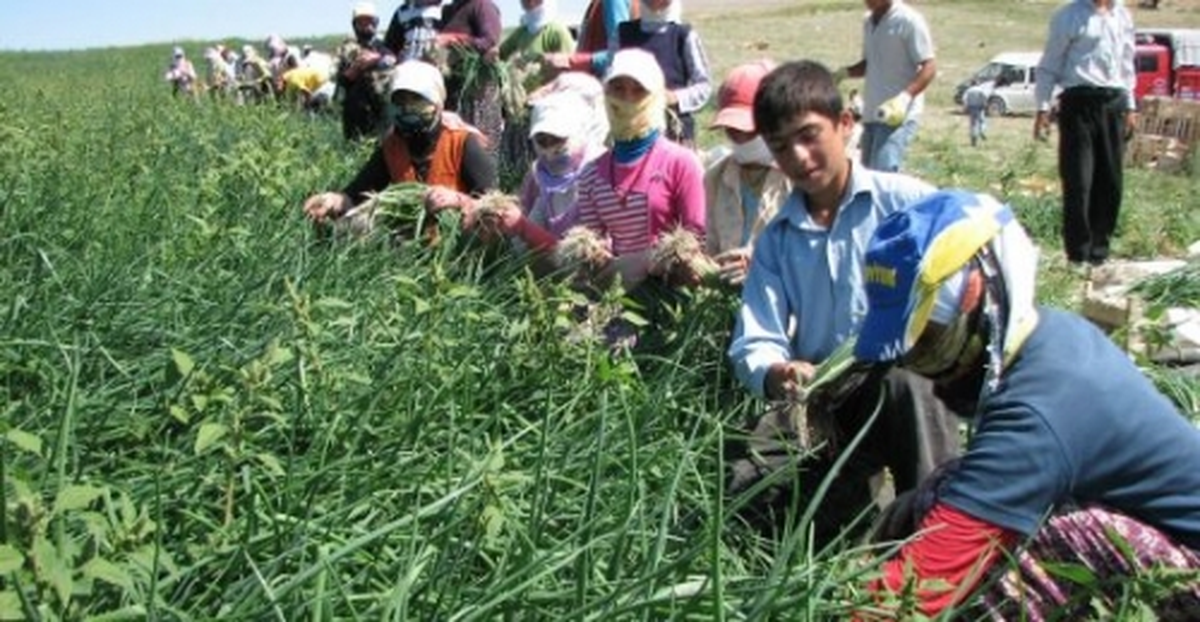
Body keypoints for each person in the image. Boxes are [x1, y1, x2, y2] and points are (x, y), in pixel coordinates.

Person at [852, 189, 1200, 620]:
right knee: (945, 490)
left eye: (933, 346)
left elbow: (922, 583)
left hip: (1190, 570)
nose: (927, 371)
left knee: (1038, 548)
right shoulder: (1053, 334)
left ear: (985, 297)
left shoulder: (1039, 413)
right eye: (910, 355)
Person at [725, 60, 959, 544]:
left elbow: (968, 276)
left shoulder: (907, 202)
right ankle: (854, 514)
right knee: (746, 489)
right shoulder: (778, 239)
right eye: (781, 146)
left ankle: (940, 535)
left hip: (903, 378)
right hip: (823, 394)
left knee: (905, 384)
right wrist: (778, 372)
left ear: (845, 125)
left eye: (809, 135)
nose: (799, 156)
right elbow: (757, 338)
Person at [303, 60, 497, 232]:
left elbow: (494, 206)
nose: (407, 108)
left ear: (437, 104)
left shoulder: (462, 142)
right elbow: (357, 193)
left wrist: (458, 200)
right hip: (412, 248)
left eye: (416, 100)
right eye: (400, 101)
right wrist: (333, 201)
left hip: (459, 245)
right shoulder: (392, 146)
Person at [571, 48, 706, 290]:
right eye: (618, 89)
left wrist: (649, 262)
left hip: (672, 296)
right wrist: (593, 254)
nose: (627, 99)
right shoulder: (591, 174)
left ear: (654, 96)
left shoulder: (681, 163)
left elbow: (697, 238)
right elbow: (593, 239)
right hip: (618, 296)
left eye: (638, 90)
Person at [1033, 0, 1137, 268]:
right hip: (1078, 102)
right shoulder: (1069, 16)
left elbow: (1127, 63)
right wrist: (1042, 107)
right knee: (1079, 180)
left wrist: (1131, 105)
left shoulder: (1122, 15)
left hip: (1113, 102)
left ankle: (1099, 253)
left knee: (1111, 182)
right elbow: (1049, 64)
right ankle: (1078, 254)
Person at [546, 0, 711, 146]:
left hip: (675, 135)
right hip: (630, 135)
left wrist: (675, 98)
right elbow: (608, 79)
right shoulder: (623, 34)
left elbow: (703, 86)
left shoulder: (684, 35)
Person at [479, 91, 607, 265]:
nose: (550, 150)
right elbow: (526, 234)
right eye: (542, 141)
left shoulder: (602, 170)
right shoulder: (541, 175)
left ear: (577, 133)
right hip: (558, 272)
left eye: (557, 140)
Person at [703, 59, 792, 289]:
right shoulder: (716, 177)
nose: (740, 138)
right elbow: (711, 248)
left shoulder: (799, 178)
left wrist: (761, 263)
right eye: (733, 130)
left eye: (748, 129)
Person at [836, 0, 936, 172]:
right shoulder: (869, 21)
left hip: (897, 116)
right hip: (873, 113)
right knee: (867, 176)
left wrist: (904, 98)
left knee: (883, 175)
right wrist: (842, 73)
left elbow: (929, 67)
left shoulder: (908, 20)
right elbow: (870, 63)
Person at [437, 0, 505, 155]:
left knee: (482, 148)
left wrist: (455, 39)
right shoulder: (449, 10)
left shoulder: (482, 6)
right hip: (452, 91)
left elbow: (489, 41)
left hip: (476, 92)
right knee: (454, 146)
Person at [337, 2, 398, 141]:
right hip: (354, 110)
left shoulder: (384, 46)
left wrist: (376, 60)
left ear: (375, 23)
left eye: (368, 21)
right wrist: (357, 67)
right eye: (361, 22)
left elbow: (394, 63)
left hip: (380, 110)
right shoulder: (347, 49)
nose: (365, 25)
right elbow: (342, 80)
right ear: (355, 25)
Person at [963, 82, 988, 147]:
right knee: (982, 121)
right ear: (977, 84)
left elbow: (964, 99)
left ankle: (973, 139)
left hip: (972, 108)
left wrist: (966, 107)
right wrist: (985, 104)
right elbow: (984, 97)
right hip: (980, 108)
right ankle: (982, 131)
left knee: (973, 124)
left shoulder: (968, 90)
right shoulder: (981, 90)